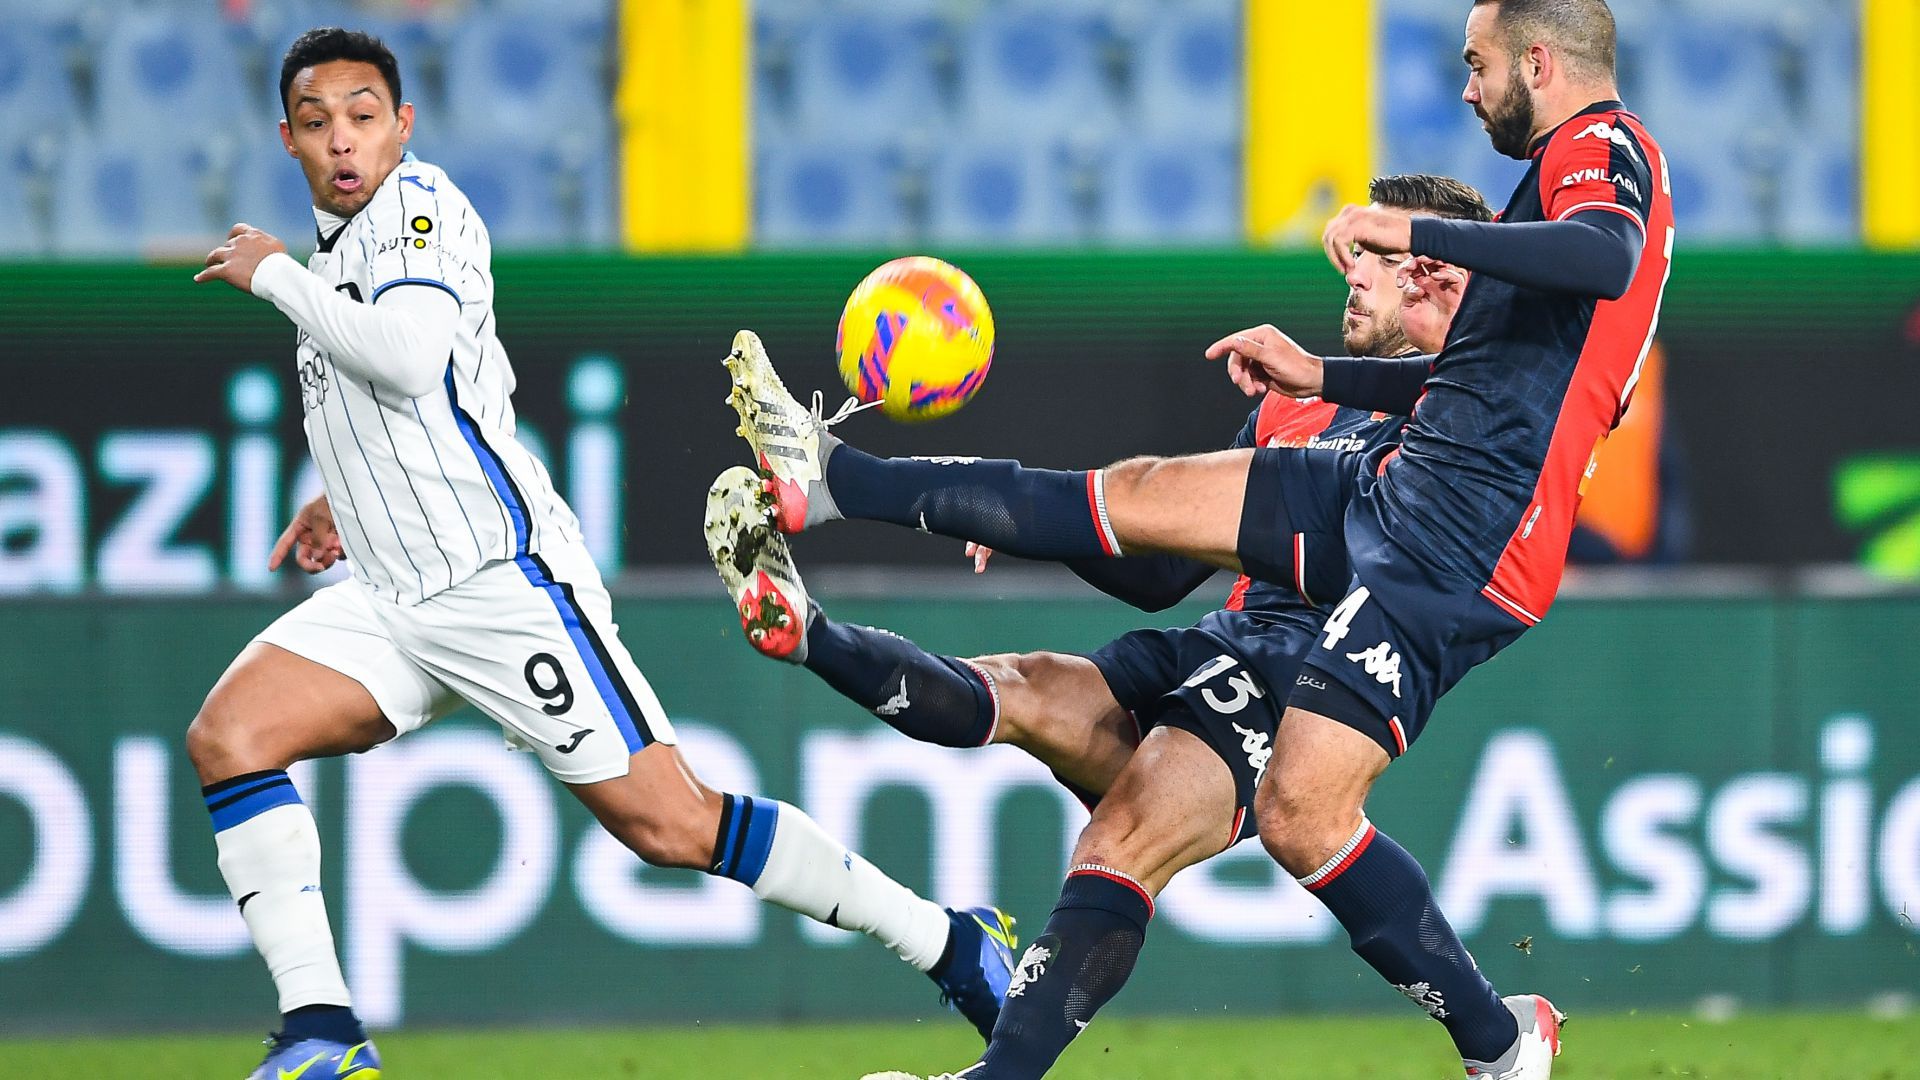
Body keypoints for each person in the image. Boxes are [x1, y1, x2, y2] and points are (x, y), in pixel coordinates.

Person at [719, 2, 1670, 1075]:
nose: (1466, 86)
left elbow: (1605, 252)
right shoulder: (1359, 395)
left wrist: (1416, 230)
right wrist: (1316, 380)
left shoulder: (1604, 151)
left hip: (1433, 560)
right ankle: (834, 483)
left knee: (1273, 820)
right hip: (1375, 509)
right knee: (1118, 521)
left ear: (1538, 61)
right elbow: (1160, 568)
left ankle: (1500, 1044)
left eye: (1478, 62)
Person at [189, 27, 1014, 1080]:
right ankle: (321, 1035)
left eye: (363, 116)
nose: (343, 141)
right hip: (395, 592)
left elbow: (406, 358)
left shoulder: (419, 212)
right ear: (288, 140)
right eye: (317, 124)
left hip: (501, 585)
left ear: (403, 125)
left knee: (672, 826)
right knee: (232, 736)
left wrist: (272, 278)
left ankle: (949, 943)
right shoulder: (340, 251)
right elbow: (424, 400)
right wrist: (342, 493)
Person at [704, 176, 1486, 1080]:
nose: (1352, 273)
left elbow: (1359, 557)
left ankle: (1000, 1077)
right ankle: (808, 632)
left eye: (1380, 259)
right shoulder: (1292, 404)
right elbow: (1158, 572)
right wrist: (1024, 522)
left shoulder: (1456, 426)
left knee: (1121, 837)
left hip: (1308, 684)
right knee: (1029, 688)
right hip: (1219, 645)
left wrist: (1038, 513)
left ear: (1442, 280)